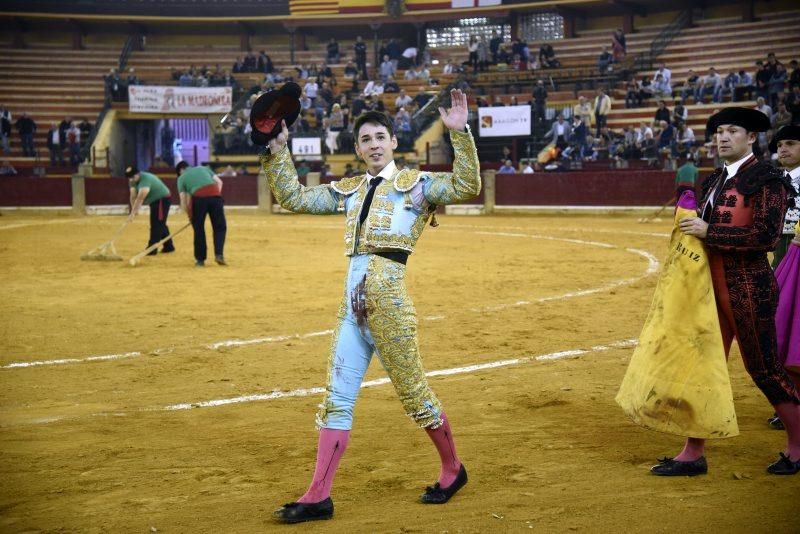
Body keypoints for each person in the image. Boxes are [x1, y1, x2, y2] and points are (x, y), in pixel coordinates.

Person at [262, 89, 478, 523]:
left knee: (415, 396)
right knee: (336, 400)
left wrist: (461, 135)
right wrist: (278, 151)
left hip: (389, 306)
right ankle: (318, 494)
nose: (374, 144)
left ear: (394, 142)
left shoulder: (417, 186)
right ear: (357, 148)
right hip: (351, 308)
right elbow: (294, 198)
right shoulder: (350, 190)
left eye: (381, 136)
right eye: (365, 139)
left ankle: (453, 469)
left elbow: (467, 185)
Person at [654, 107, 800, 477]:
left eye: (732, 131)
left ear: (751, 138)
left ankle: (798, 446)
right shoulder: (717, 178)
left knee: (764, 368)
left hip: (749, 287)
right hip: (710, 289)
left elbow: (766, 237)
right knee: (701, 366)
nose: (722, 137)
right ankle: (692, 452)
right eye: (719, 131)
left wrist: (709, 232)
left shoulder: (767, 179)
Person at [176, 161, 227, 267]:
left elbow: (183, 200)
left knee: (198, 229)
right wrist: (216, 195)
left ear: (181, 170)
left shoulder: (181, 178)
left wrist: (190, 216)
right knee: (219, 227)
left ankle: (200, 260)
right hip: (215, 197)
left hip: (199, 200)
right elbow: (220, 182)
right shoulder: (204, 168)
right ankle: (219, 254)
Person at [126, 166, 175, 255]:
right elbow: (133, 196)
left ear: (138, 174)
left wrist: (133, 213)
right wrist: (134, 211)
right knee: (160, 223)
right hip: (154, 201)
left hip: (162, 199)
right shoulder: (132, 181)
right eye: (129, 178)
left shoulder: (145, 179)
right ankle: (169, 246)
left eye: (132, 177)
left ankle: (152, 248)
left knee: (156, 224)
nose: (131, 180)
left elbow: (140, 198)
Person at [770, 125, 800, 268]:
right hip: (776, 252)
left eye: (790, 143)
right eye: (779, 145)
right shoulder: (771, 181)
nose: (783, 148)